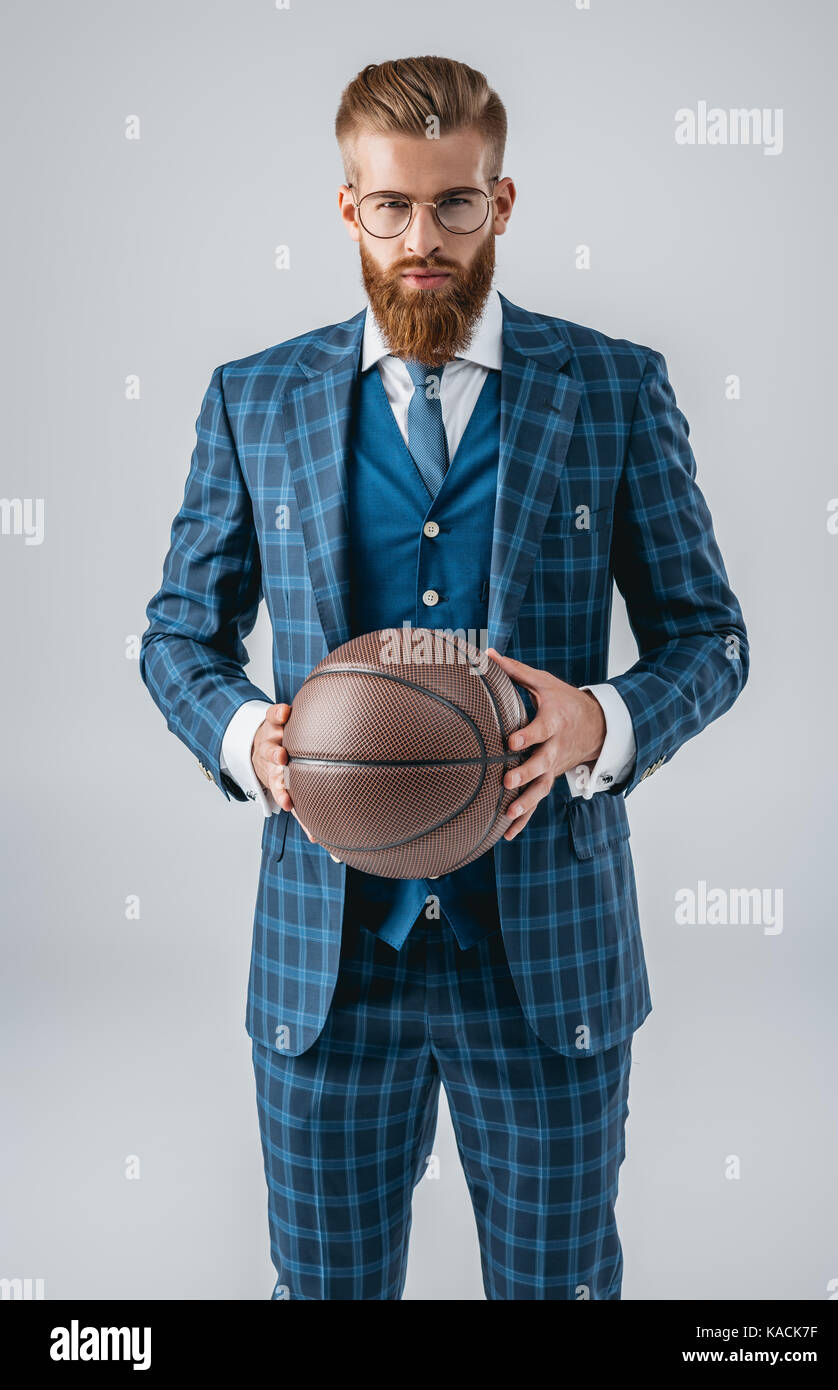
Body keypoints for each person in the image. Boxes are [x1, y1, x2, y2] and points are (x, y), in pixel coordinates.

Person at [140, 55, 749, 1300]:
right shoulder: (254, 401)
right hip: (329, 963)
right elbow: (176, 640)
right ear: (348, 207)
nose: (424, 239)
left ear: (503, 201)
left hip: (547, 966)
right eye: (392, 207)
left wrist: (603, 719)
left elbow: (713, 636)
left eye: (455, 205)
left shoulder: (614, 390)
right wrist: (250, 734)